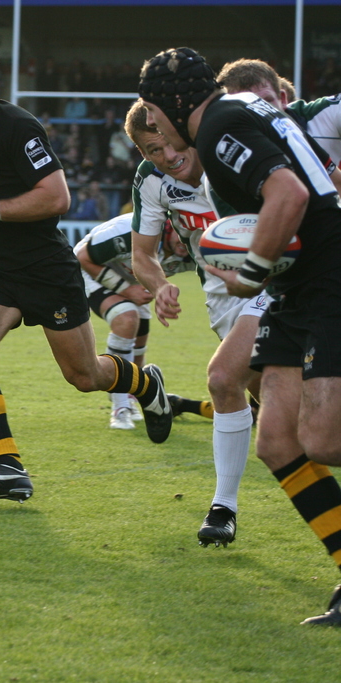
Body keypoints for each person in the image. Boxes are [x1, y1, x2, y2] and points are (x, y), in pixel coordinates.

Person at [139, 46, 341, 625]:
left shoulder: (222, 123)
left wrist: (250, 270)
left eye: (152, 113)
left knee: (324, 439)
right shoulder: (243, 107)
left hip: (327, 278)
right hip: (296, 288)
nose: (154, 126)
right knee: (278, 441)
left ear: (173, 104)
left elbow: (291, 195)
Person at [0, 48, 173, 504]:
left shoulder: (18, 126)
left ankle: (145, 383)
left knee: (84, 376)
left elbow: (57, 197)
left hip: (46, 267)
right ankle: (8, 466)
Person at [74, 213, 204, 429]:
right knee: (126, 318)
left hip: (133, 278)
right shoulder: (130, 233)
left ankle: (133, 394)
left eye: (191, 236)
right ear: (169, 228)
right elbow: (83, 257)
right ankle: (120, 406)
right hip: (88, 270)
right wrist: (125, 289)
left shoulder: (194, 249)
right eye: (182, 234)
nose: (185, 241)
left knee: (139, 338)